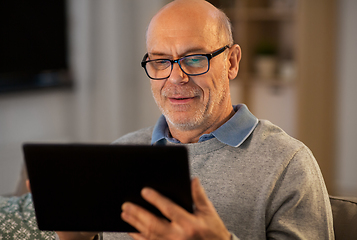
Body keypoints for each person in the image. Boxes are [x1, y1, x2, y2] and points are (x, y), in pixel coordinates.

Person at [57, 0, 334, 239]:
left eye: (195, 58)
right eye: (161, 61)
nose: (175, 77)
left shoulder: (289, 163)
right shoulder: (117, 156)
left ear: (232, 62)